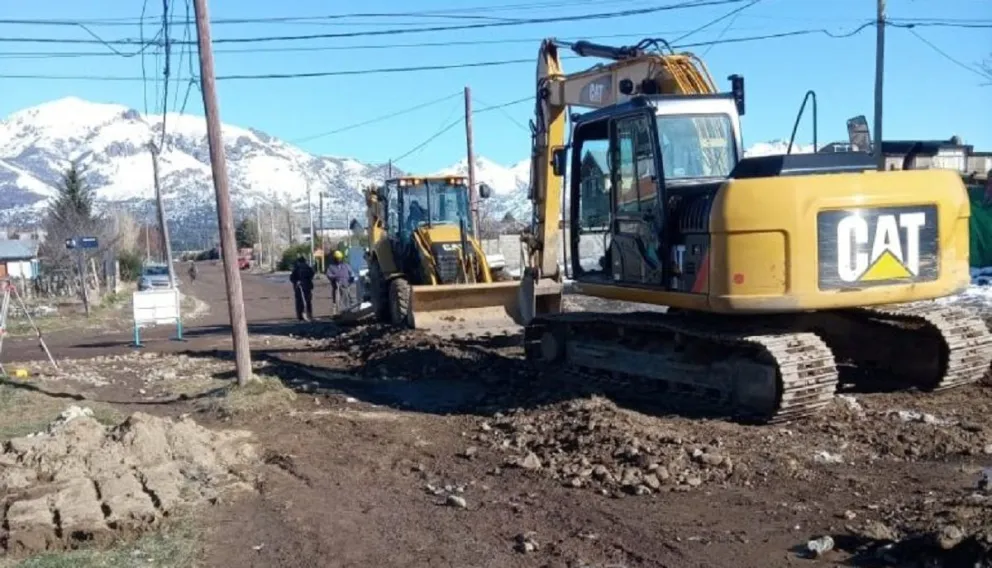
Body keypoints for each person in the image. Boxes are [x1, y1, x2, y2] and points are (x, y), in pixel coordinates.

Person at [325, 250, 356, 316]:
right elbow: (328, 275)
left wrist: (351, 278)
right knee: (337, 300)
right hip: (337, 286)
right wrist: (335, 277)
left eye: (340, 258)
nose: (339, 260)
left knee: (349, 298)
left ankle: (348, 311)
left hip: (346, 285)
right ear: (334, 258)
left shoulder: (346, 265)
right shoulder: (331, 267)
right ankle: (337, 312)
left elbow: (352, 273)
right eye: (337, 258)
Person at [289, 254, 315, 321]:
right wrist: (297, 281)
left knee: (303, 302)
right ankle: (306, 315)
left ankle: (304, 315)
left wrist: (297, 281)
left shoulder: (299, 268)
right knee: (305, 301)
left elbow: (292, 278)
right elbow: (312, 274)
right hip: (302, 288)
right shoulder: (305, 268)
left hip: (303, 288)